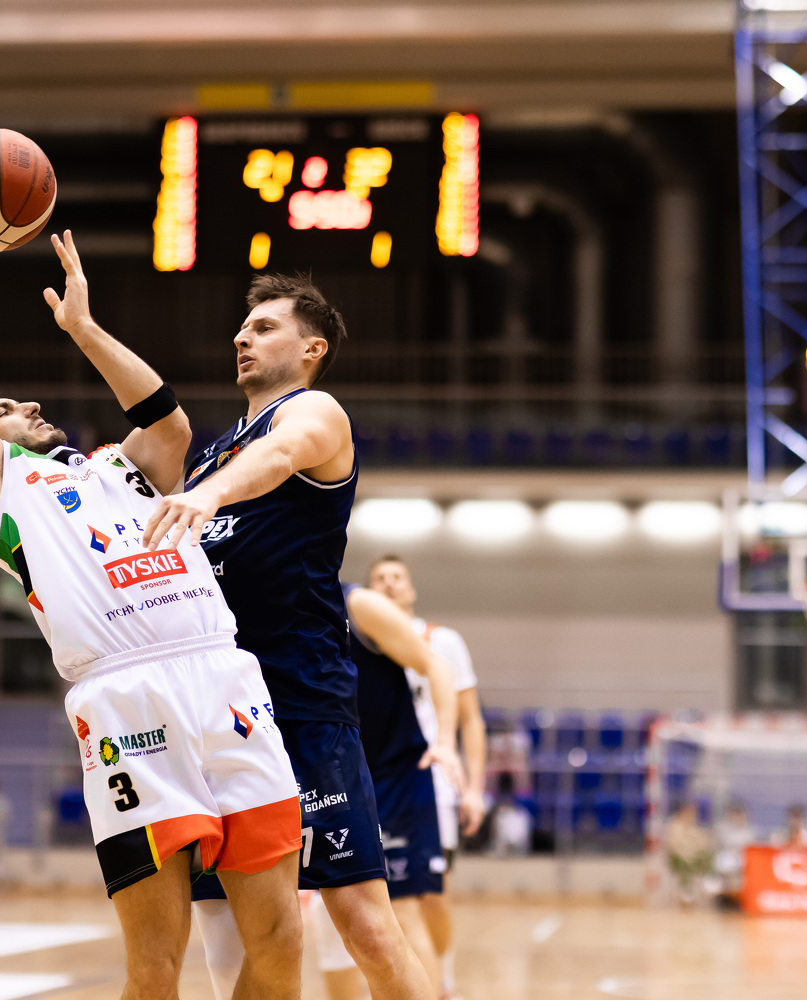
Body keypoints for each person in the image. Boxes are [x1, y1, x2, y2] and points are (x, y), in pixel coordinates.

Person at [0, 115, 303, 1000]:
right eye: (5, 408)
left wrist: (84, 328)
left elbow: (170, 425)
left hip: (224, 677)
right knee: (155, 964)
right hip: (127, 702)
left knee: (281, 939)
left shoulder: (112, 466)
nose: (24, 404)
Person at [148, 271, 458, 1000]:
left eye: (264, 328)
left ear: (311, 347)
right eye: (242, 328)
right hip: (216, 710)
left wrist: (207, 493)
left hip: (299, 702)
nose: (242, 338)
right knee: (233, 930)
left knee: (366, 926)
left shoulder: (314, 412)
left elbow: (282, 455)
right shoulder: (217, 449)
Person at [367, 555, 486, 1000]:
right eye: (380, 578)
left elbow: (472, 720)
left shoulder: (442, 641)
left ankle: (444, 979)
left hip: (432, 783)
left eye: (397, 577)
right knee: (391, 899)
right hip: (377, 782)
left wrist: (474, 789)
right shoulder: (358, 642)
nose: (389, 583)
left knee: (434, 894)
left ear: (411, 589)